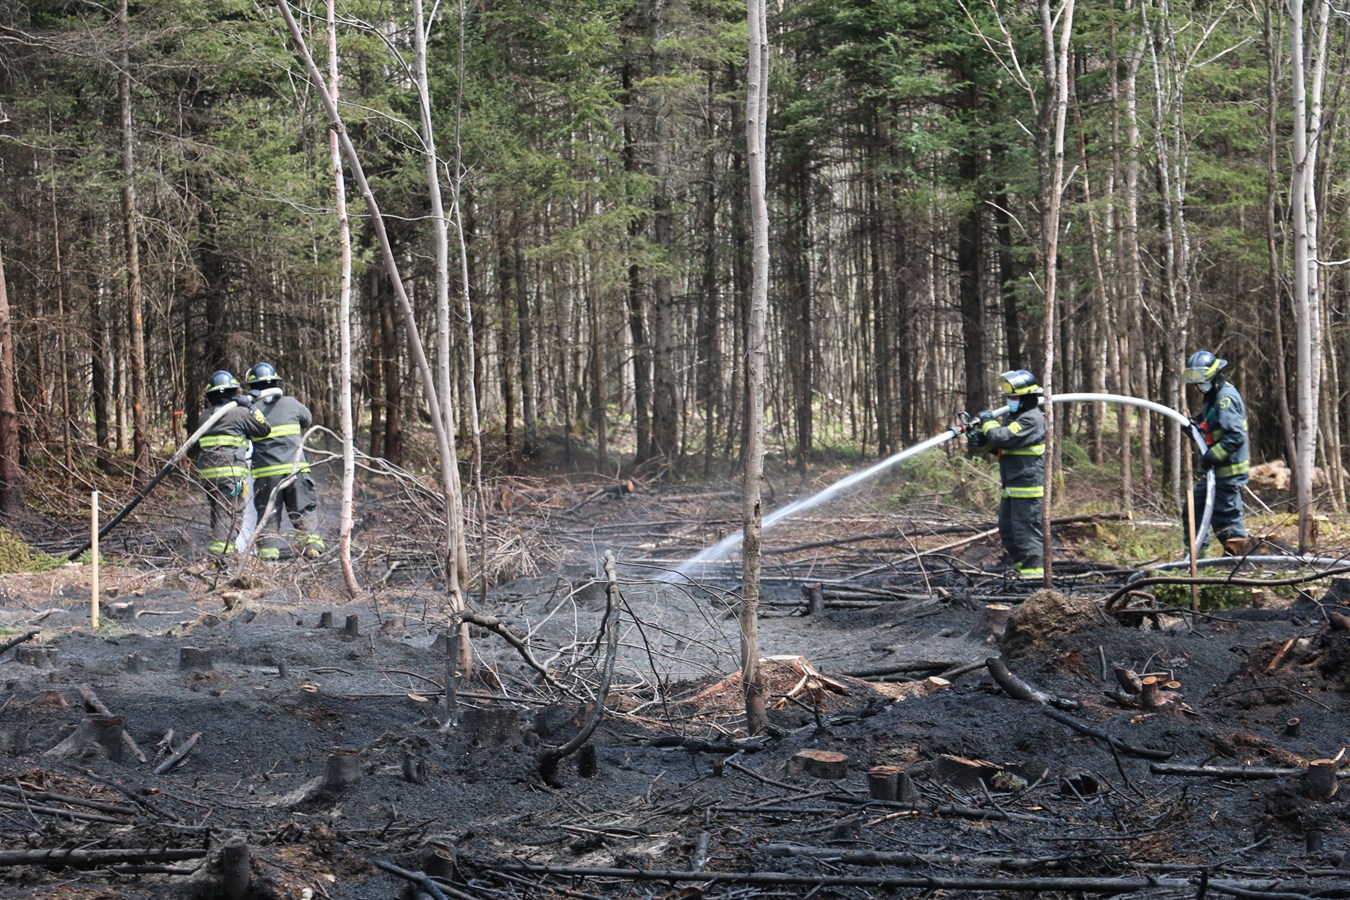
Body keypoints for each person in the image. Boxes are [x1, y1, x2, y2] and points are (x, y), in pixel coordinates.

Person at [968, 369, 1047, 581]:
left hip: (1028, 489)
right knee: (1008, 531)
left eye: (1014, 397)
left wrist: (987, 421)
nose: (1010, 401)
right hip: (1013, 487)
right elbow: (1004, 449)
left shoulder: (1032, 419)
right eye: (1009, 398)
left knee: (1026, 535)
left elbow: (1001, 437)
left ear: (1027, 397)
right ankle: (1022, 572)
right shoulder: (1017, 417)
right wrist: (984, 443)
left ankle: (1035, 581)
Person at [188, 370, 271, 561]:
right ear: (234, 392)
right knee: (231, 514)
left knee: (217, 514)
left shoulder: (204, 416)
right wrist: (251, 406)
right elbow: (264, 428)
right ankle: (220, 559)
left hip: (209, 478)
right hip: (233, 478)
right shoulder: (239, 413)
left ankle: (217, 554)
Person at [246, 362, 323, 559]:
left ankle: (269, 556)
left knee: (268, 514)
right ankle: (312, 548)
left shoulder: (250, 410)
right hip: (297, 470)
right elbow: (307, 419)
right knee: (304, 510)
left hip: (267, 475)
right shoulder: (291, 403)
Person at [1184, 350, 1250, 554]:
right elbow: (1212, 424)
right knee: (1194, 510)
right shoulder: (1212, 396)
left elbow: (1235, 437)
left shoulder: (1225, 399)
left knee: (1227, 521)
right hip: (1217, 473)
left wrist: (1213, 455)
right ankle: (1196, 561)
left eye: (1201, 379)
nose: (1198, 385)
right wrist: (1195, 426)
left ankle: (1238, 568)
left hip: (1228, 474)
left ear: (1214, 375)